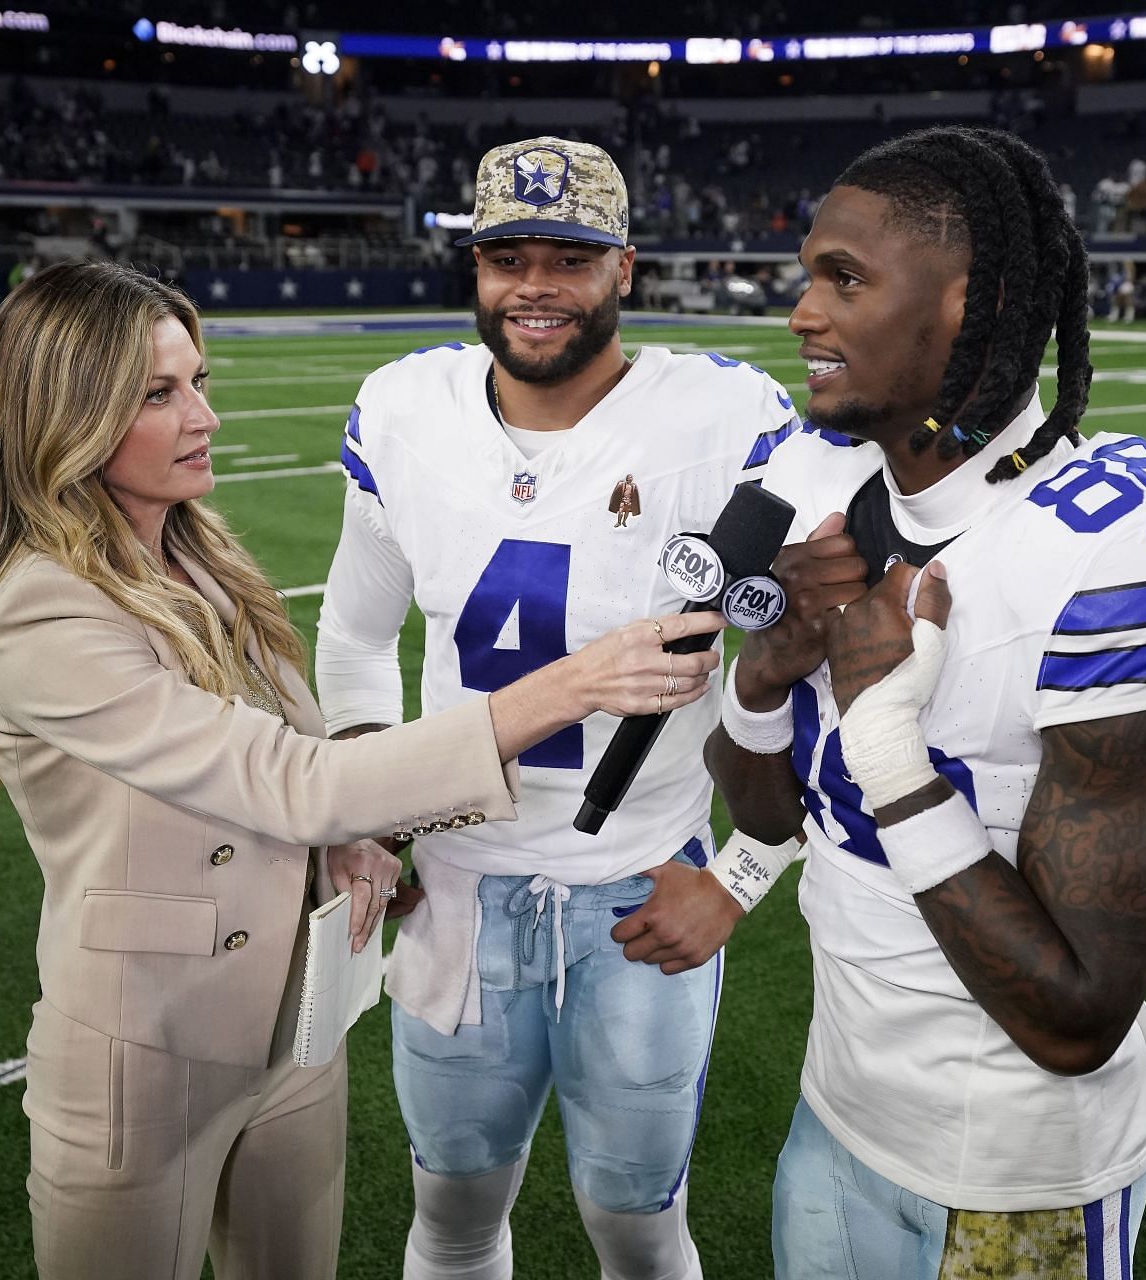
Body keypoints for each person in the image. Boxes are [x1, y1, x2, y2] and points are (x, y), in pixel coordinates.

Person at [0, 260, 723, 1280]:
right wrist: (571, 684)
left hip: (296, 1020)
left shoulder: (196, 553)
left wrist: (352, 839)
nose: (204, 417)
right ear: (68, 414)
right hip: (145, 1048)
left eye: (200, 381)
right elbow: (293, 781)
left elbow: (308, 766)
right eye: (159, 393)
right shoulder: (39, 608)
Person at [706, 127, 1146, 1278]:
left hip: (1011, 1172)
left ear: (971, 298)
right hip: (837, 1108)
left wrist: (889, 739)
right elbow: (766, 820)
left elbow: (1076, 1013)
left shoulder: (1104, 548)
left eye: (843, 278)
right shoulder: (821, 480)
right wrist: (763, 679)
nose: (800, 311)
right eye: (807, 274)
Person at [315, 136, 802, 1280]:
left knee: (637, 1229)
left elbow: (817, 672)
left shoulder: (724, 417)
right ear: (475, 267)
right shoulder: (405, 408)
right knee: (452, 1214)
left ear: (623, 268)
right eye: (506, 257)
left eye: (569, 256)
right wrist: (362, 803)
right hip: (459, 888)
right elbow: (352, 635)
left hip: (640, 892)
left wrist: (738, 878)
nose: (534, 285)